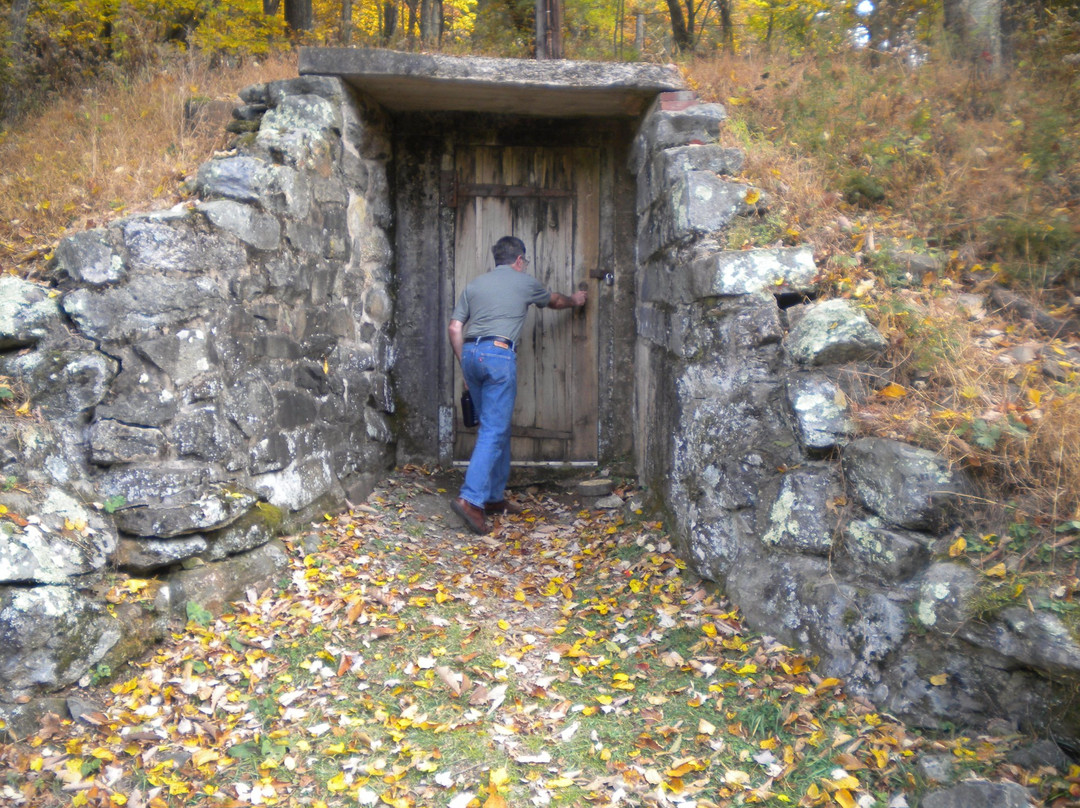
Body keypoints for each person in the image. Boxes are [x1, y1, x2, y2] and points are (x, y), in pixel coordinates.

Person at [448, 235, 587, 534]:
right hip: (498, 354)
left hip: (470, 353)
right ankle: (471, 499)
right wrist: (575, 300)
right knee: (493, 430)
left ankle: (494, 497)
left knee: (497, 427)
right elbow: (555, 301)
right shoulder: (524, 282)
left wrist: (464, 365)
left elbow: (454, 327)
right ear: (519, 260)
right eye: (525, 262)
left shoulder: (474, 285)